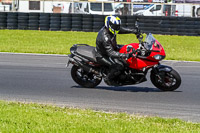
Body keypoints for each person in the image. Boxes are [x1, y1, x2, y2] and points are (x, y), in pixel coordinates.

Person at [95, 15, 139, 86]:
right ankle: (108, 79)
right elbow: (111, 53)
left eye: (117, 26)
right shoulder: (105, 37)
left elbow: (120, 30)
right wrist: (126, 55)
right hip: (103, 55)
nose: (117, 28)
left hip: (112, 48)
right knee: (119, 65)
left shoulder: (111, 29)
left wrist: (134, 31)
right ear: (110, 25)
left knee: (127, 48)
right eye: (116, 26)